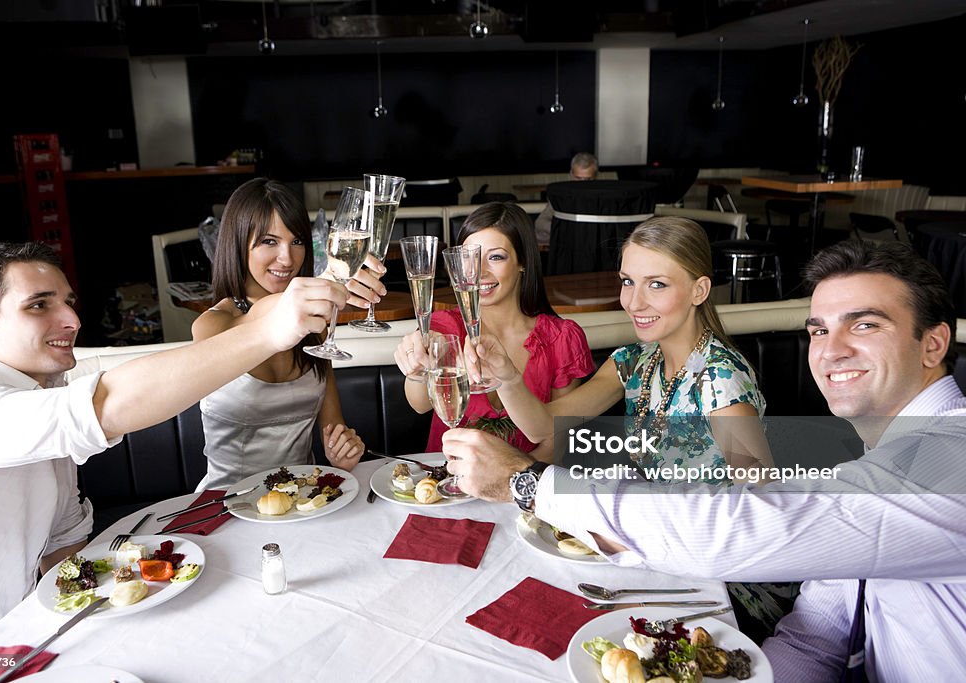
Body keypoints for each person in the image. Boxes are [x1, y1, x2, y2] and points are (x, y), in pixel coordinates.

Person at [445, 240, 966, 681]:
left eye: (866, 325)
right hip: (668, 544)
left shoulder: (947, 461)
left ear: (933, 343)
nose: (831, 351)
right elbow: (818, 637)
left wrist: (528, 483)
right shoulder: (637, 363)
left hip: (715, 559)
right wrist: (510, 380)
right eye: (818, 330)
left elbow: (748, 513)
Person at [0, 240, 361, 649]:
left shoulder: (43, 395)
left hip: (24, 637)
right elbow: (108, 405)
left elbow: (63, 549)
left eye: (68, 302)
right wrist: (271, 331)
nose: (71, 319)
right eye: (39, 305)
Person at [469, 216, 771, 479]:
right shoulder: (633, 361)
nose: (634, 302)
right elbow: (543, 427)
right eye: (628, 282)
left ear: (699, 290)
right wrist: (507, 377)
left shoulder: (720, 380)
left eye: (656, 284)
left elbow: (761, 506)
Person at [193, 178, 364, 490]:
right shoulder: (212, 325)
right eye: (269, 242)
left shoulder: (313, 324)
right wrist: (322, 285)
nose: (287, 259)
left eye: (297, 241)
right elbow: (258, 323)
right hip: (226, 506)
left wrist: (342, 452)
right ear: (237, 244)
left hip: (303, 502)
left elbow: (334, 429)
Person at [394, 202, 593, 461]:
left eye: (495, 257)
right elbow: (420, 405)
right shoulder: (445, 327)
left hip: (520, 490)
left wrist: (511, 484)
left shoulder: (561, 337)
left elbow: (559, 438)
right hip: (446, 483)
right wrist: (418, 369)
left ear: (522, 261)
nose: (479, 271)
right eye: (469, 258)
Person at [533, 152, 598, 246]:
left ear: (595, 177)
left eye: (587, 179)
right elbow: (540, 223)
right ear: (571, 174)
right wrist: (568, 232)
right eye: (578, 178)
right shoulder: (560, 197)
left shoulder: (603, 200)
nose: (582, 184)